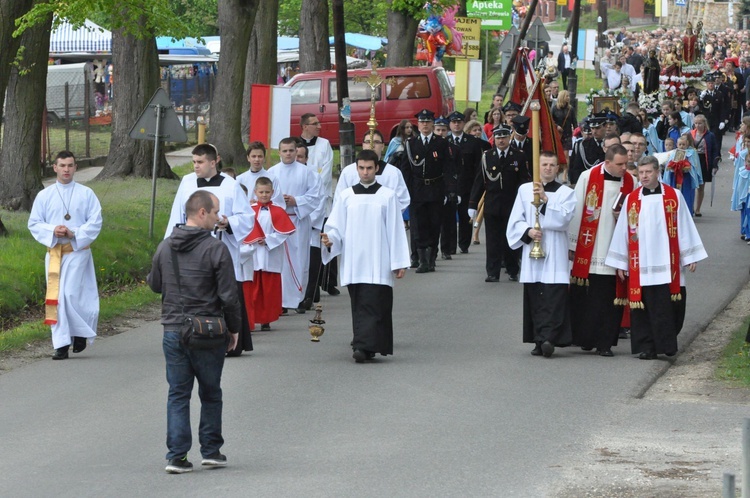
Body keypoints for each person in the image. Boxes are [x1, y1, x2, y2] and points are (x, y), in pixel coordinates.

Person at [148, 190, 241, 474]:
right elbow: (228, 295)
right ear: (201, 213)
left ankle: (176, 456)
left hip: (173, 328)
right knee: (211, 392)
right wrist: (234, 329)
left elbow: (155, 285)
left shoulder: (165, 246)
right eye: (215, 212)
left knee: (178, 393)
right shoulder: (215, 249)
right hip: (207, 329)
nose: (218, 217)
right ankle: (211, 451)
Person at [605, 156, 707, 359]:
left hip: (667, 264)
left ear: (657, 173)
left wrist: (689, 256)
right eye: (641, 173)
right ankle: (646, 347)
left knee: (666, 306)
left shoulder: (673, 196)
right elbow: (623, 233)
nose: (643, 176)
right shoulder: (632, 200)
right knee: (642, 306)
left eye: (648, 172)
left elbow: (684, 226)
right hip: (640, 264)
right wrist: (620, 262)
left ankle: (666, 344)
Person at [321, 150, 410, 363]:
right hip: (355, 260)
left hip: (380, 260)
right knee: (360, 302)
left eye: (369, 168)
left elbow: (396, 230)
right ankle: (362, 345)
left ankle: (366, 346)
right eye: (361, 168)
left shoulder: (387, 196)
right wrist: (330, 238)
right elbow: (336, 226)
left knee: (377, 303)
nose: (365, 172)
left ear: (377, 168)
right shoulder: (347, 196)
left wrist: (399, 262)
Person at [165, 144, 254, 357]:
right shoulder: (186, 182)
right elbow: (177, 214)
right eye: (194, 162)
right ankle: (195, 337)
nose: (195, 166)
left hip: (222, 246)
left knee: (224, 293)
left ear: (213, 162)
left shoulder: (231, 186)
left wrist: (228, 222)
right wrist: (171, 244)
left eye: (200, 162)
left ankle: (230, 341)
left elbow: (247, 217)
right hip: (192, 249)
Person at [28, 150, 103, 360]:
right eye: (62, 165)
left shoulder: (86, 193)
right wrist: (53, 230)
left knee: (70, 295)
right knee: (56, 299)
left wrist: (74, 233)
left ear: (76, 167)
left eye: (70, 165)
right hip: (54, 253)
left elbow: (95, 221)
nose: (66, 170)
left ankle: (79, 333)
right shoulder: (45, 195)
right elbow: (34, 223)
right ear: (55, 167)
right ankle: (61, 344)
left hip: (77, 252)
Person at [507, 151, 576, 357]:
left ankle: (549, 338)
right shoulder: (524, 190)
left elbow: (563, 220)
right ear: (538, 167)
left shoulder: (566, 193)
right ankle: (537, 339)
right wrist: (527, 231)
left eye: (552, 165)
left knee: (553, 296)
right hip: (533, 249)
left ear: (558, 169)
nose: (547, 168)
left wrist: (546, 201)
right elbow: (515, 220)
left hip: (555, 250)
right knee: (535, 296)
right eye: (544, 164)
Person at [568, 144, 635, 357]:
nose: (624, 168)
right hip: (592, 247)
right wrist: (572, 245)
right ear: (607, 163)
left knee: (610, 299)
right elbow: (577, 211)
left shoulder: (630, 181)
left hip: (616, 248)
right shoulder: (588, 177)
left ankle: (605, 342)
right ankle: (586, 339)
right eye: (619, 164)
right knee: (590, 299)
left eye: (626, 164)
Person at [468, 124, 531, 282]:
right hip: (493, 203)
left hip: (512, 203)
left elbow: (524, 180)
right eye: (498, 137)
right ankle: (492, 272)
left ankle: (512, 269)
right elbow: (479, 181)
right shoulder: (487, 156)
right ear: (493, 139)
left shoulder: (518, 156)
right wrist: (472, 204)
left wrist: (527, 202)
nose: (501, 140)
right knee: (493, 240)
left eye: (504, 137)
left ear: (509, 137)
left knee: (511, 238)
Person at [267, 137, 323, 313]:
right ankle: (280, 301)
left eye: (291, 150)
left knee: (300, 260)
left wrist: (296, 201)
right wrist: (279, 202)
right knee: (280, 261)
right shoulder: (272, 172)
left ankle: (298, 299)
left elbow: (315, 196)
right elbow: (263, 194)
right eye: (285, 151)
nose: (288, 154)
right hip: (277, 222)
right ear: (279, 152)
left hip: (298, 219)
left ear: (296, 151)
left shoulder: (306, 172)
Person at [398, 109, 457, 273]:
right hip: (417, 190)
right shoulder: (411, 144)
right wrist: (407, 190)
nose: (425, 125)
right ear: (418, 124)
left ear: (432, 124)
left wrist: (450, 189)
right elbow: (406, 170)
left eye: (428, 121)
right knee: (419, 225)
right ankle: (422, 259)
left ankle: (431, 258)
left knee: (434, 224)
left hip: (436, 188)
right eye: (422, 122)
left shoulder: (441, 143)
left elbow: (448, 167)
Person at [241, 177, 296, 331]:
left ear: (272, 192)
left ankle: (267, 319)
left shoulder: (278, 210)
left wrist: (268, 240)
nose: (264, 195)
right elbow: (244, 229)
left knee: (269, 290)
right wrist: (253, 240)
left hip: (270, 253)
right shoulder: (249, 210)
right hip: (253, 252)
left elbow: (284, 233)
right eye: (261, 192)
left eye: (267, 192)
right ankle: (253, 318)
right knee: (254, 288)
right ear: (255, 192)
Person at [298, 113, 338, 299]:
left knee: (324, 239)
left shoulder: (325, 144)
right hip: (300, 201)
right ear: (305, 126)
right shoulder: (294, 145)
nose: (319, 126)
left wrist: (315, 190)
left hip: (321, 198)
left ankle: (328, 281)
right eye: (315, 124)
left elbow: (326, 169)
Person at [336, 129, 410, 213]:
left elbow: (403, 200)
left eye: (376, 142)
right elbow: (339, 199)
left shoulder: (393, 173)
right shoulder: (348, 172)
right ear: (363, 145)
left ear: (382, 146)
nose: (371, 145)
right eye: (367, 142)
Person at [448, 111, 491, 254]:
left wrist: (476, 186)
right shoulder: (445, 142)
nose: (456, 124)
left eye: (459, 122)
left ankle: (464, 244)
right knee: (448, 218)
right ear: (450, 124)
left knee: (466, 216)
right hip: (450, 185)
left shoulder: (472, 142)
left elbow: (478, 166)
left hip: (467, 184)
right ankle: (449, 246)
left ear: (463, 124)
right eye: (454, 122)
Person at [662, 134, 702, 217]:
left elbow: (695, 165)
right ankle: (674, 212)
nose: (682, 146)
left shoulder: (692, 152)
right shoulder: (673, 153)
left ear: (687, 144)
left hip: (687, 177)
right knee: (674, 194)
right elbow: (668, 165)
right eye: (680, 144)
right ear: (676, 144)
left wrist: (688, 168)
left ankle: (687, 214)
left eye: (683, 144)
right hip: (675, 177)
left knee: (687, 195)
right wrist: (671, 168)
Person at [236, 141, 284, 206]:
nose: (257, 159)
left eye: (260, 156)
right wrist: (249, 204)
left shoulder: (272, 179)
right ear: (248, 158)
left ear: (264, 158)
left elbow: (279, 203)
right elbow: (237, 201)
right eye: (253, 156)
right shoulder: (240, 179)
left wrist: (261, 204)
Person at [690, 115, 720, 217]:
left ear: (704, 124)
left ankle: (697, 209)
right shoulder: (690, 134)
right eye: (696, 123)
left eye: (700, 123)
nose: (697, 125)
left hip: (704, 161)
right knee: (691, 186)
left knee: (701, 187)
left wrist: (715, 165)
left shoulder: (710, 135)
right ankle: (690, 207)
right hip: (693, 160)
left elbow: (715, 150)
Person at [569, 114, 607, 185]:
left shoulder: (612, 143)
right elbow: (576, 167)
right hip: (587, 182)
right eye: (592, 128)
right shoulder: (583, 145)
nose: (594, 131)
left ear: (605, 126)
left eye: (598, 128)